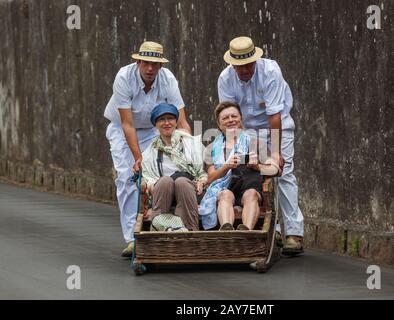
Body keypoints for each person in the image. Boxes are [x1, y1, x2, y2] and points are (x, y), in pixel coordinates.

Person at [217, 36, 304, 254]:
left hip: (277, 125)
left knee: (282, 173)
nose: (244, 70)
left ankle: (294, 233)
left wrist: (274, 153)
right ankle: (269, 230)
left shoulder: (271, 72)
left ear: (255, 60)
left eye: (248, 65)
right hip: (246, 129)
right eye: (239, 66)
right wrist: (242, 142)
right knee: (255, 176)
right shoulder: (225, 79)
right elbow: (230, 114)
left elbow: (274, 115)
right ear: (232, 64)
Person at [104, 41, 191, 257]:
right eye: (146, 63)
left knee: (167, 176)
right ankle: (132, 238)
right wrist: (138, 158)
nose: (150, 68)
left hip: (153, 130)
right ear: (138, 62)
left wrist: (190, 150)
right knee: (128, 178)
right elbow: (127, 124)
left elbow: (182, 120)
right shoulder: (124, 77)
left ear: (160, 65)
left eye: (155, 64)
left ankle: (162, 229)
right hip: (123, 131)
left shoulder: (168, 79)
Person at [199, 101, 280, 231]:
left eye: (234, 116)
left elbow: (276, 170)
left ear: (240, 118)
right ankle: (228, 231)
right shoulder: (212, 148)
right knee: (225, 194)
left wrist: (257, 166)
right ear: (219, 125)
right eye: (225, 118)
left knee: (251, 194)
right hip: (226, 189)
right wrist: (226, 166)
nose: (230, 120)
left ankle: (245, 231)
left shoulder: (254, 142)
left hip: (249, 188)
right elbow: (210, 178)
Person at [140, 103, 207, 231]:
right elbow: (148, 179)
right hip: (163, 192)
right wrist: (149, 184)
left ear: (176, 122)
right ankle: (160, 228)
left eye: (170, 118)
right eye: (161, 119)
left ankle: (190, 230)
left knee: (181, 182)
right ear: (156, 124)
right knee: (165, 181)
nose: (166, 123)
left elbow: (204, 172)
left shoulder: (191, 144)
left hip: (189, 190)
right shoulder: (150, 152)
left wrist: (202, 180)